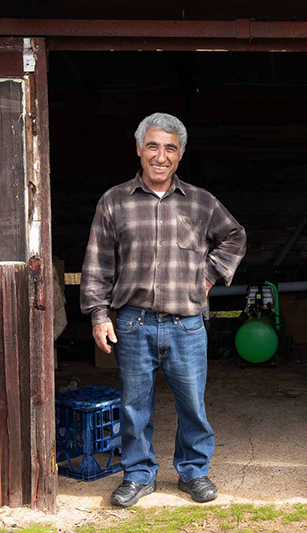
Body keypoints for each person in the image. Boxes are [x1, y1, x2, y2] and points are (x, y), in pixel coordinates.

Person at [80, 112, 246, 507]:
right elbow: (97, 262)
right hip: (133, 322)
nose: (160, 155)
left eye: (170, 147)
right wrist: (99, 316)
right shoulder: (114, 200)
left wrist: (208, 276)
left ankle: (193, 473)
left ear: (181, 153)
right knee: (135, 405)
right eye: (152, 145)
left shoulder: (202, 202)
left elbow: (235, 236)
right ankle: (138, 475)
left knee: (192, 403)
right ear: (139, 149)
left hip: (186, 323)